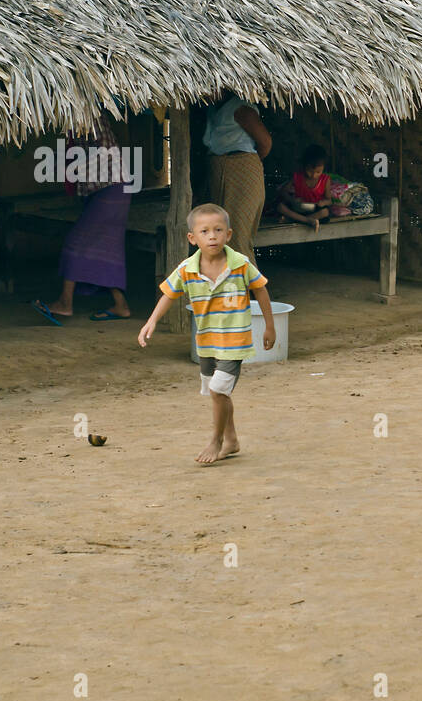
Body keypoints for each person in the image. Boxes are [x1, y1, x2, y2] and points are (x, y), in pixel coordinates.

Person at [137, 203, 276, 465]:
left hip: (234, 342)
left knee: (217, 391)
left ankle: (216, 440)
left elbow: (261, 289)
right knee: (219, 394)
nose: (212, 236)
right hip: (206, 343)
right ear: (192, 238)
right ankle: (232, 439)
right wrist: (151, 321)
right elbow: (169, 294)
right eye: (205, 231)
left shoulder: (241, 265)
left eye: (218, 230)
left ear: (229, 235)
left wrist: (269, 325)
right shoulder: (187, 269)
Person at [33, 115, 133, 323]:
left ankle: (65, 303)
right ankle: (120, 305)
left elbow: (107, 150)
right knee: (105, 249)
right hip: (108, 188)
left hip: (111, 187)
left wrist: (75, 167)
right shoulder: (76, 123)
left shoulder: (90, 118)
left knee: (75, 243)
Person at [204, 93, 272, 263]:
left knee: (237, 237)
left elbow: (265, 143)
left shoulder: (241, 109)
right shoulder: (212, 109)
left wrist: (244, 163)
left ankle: (252, 288)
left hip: (242, 170)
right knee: (221, 234)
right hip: (219, 170)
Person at [273, 145, 351, 230]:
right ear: (304, 166)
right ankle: (307, 220)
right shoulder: (297, 177)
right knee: (280, 207)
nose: (314, 175)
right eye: (310, 171)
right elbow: (283, 192)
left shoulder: (325, 180)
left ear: (323, 168)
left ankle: (294, 219)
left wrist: (323, 203)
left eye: (318, 172)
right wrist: (292, 200)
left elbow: (329, 200)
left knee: (325, 212)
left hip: (314, 210)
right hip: (298, 208)